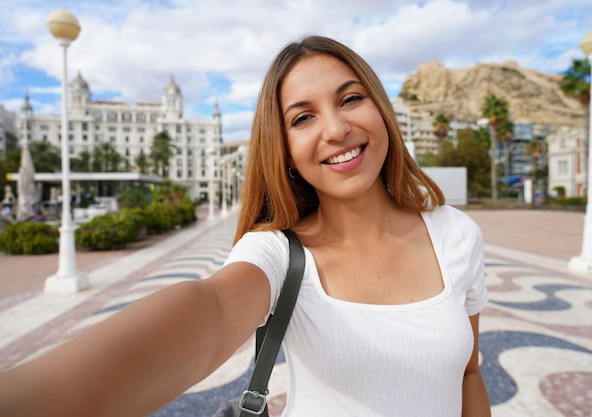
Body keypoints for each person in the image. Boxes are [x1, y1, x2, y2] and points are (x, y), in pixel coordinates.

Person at [0, 35, 490, 417]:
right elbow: (210, 309)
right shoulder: (278, 252)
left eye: (350, 99)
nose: (335, 129)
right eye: (302, 118)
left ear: (381, 108)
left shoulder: (456, 236)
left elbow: (468, 373)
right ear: (286, 152)